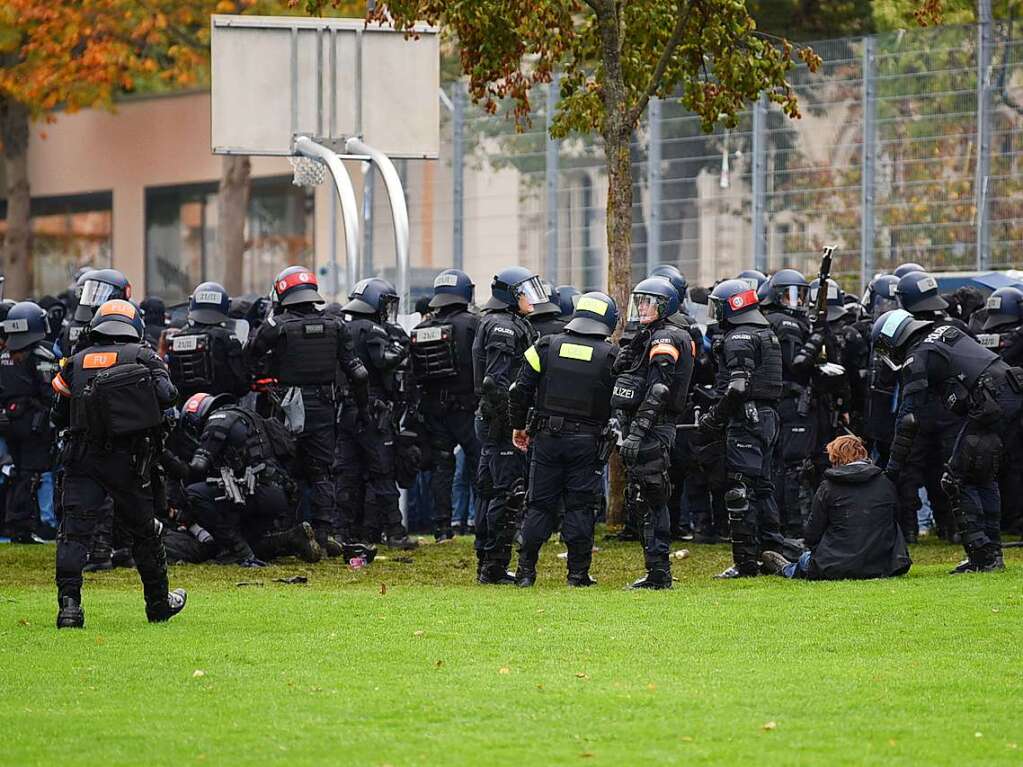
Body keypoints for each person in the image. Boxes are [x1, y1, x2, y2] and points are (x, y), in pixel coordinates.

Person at [50, 299, 185, 628]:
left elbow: (57, 415)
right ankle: (157, 604)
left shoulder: (76, 361)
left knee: (74, 534)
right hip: (129, 461)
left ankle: (69, 607)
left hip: (82, 459)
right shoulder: (143, 355)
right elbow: (169, 395)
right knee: (144, 535)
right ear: (134, 327)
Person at [874, 308, 1023, 573]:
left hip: (992, 400)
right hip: (1007, 393)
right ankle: (992, 555)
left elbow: (908, 419)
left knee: (956, 478)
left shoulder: (916, 357)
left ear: (893, 339)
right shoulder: (945, 332)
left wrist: (892, 470)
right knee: (982, 475)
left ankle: (982, 556)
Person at [246, 265, 368, 557]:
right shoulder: (336, 325)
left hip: (285, 405)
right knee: (322, 471)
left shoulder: (276, 326)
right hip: (325, 406)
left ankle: (287, 532)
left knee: (281, 470)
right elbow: (358, 373)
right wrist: (362, 410)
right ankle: (326, 534)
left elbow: (249, 357)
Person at [509, 292, 619, 587]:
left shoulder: (545, 346)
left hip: (546, 438)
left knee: (538, 506)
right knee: (580, 507)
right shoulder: (611, 356)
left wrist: (519, 426)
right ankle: (577, 575)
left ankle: (525, 572)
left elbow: (518, 392)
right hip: (587, 443)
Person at [172, 392, 322, 566]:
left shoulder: (218, 420)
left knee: (195, 494)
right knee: (249, 540)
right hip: (279, 493)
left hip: (255, 491)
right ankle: (293, 539)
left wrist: (174, 478)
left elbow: (198, 467)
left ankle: (240, 553)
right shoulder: (250, 417)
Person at [699, 278, 784, 579]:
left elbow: (737, 387)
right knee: (763, 487)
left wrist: (714, 419)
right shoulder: (766, 333)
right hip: (768, 417)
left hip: (747, 420)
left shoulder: (741, 337)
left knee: (739, 489)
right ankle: (773, 554)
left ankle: (746, 563)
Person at [613, 277, 694, 588]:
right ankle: (655, 571)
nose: (642, 306)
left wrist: (638, 431)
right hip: (645, 425)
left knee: (652, 496)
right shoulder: (650, 335)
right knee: (643, 498)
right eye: (641, 300)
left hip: (654, 428)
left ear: (665, 305)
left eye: (649, 301)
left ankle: (659, 573)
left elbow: (659, 389)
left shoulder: (667, 338)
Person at [473, 266, 542, 584]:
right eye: (525, 291)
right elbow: (495, 382)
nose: (532, 298)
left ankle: (487, 563)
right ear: (511, 296)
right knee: (505, 492)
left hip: (492, 419)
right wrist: (515, 423)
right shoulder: (504, 327)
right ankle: (494, 567)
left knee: (490, 491)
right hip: (500, 422)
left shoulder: (502, 322)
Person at [336, 277, 418, 550]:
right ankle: (395, 532)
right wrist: (402, 346)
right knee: (382, 472)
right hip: (373, 410)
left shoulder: (342, 327)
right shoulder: (374, 330)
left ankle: (346, 533)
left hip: (346, 409)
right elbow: (384, 361)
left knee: (348, 472)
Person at [761, 435, 911, 580]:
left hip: (835, 563)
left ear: (835, 458)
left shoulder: (828, 488)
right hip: (882, 562)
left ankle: (789, 569)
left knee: (805, 557)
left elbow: (812, 534)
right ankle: (792, 565)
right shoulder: (885, 483)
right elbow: (895, 519)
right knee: (804, 554)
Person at [410, 268, 480, 542]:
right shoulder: (474, 324)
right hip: (467, 409)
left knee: (441, 468)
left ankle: (442, 529)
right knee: (478, 466)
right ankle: (481, 524)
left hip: (434, 412)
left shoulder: (421, 329)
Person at [0, 302, 59, 542]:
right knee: (34, 474)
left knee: (17, 472)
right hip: (34, 425)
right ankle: (25, 525)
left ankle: (16, 525)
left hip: (8, 423)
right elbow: (51, 393)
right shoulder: (41, 355)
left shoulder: (4, 355)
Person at [166, 282, 249, 401]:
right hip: (221, 405)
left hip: (184, 407)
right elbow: (241, 384)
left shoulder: (176, 338)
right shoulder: (227, 338)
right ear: (226, 305)